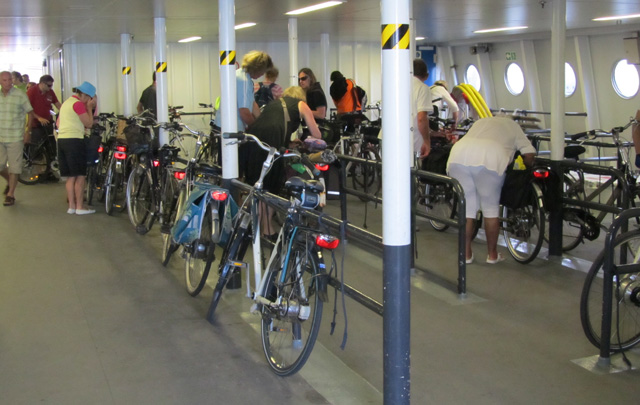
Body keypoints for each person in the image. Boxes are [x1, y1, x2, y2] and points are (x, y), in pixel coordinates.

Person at [446, 116, 536, 264]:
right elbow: (529, 154)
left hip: (458, 156)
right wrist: (525, 167)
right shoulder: (513, 126)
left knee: (468, 209)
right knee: (490, 209)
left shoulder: (481, 121)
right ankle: (492, 255)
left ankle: (466, 254)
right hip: (490, 159)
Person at [243, 86, 322, 237]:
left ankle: (256, 229)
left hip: (254, 142)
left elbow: (272, 126)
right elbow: (316, 133)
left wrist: (290, 143)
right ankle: (267, 230)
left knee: (259, 185)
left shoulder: (275, 103)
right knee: (272, 186)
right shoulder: (301, 104)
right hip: (272, 145)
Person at [57, 81, 98, 215]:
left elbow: (58, 123)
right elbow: (88, 124)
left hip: (62, 140)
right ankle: (80, 207)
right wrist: (90, 110)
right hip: (74, 141)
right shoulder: (78, 104)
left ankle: (72, 206)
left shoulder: (67, 103)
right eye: (90, 98)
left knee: (70, 176)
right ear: (86, 96)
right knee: (80, 175)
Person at [215, 50, 273, 131]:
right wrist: (257, 129)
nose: (262, 75)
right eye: (262, 72)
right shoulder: (243, 81)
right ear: (256, 69)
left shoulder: (245, 78)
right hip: (229, 128)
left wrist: (261, 122)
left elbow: (252, 104)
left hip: (229, 126)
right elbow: (244, 112)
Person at [0, 71, 34, 206]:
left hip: (15, 137)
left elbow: (30, 113)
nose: (8, 83)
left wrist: (28, 132)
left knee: (14, 167)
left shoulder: (20, 95)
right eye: (4, 80)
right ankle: (10, 181)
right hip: (0, 137)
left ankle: (11, 195)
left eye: (10, 80)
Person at [26, 75, 61, 148]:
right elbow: (28, 109)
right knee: (36, 146)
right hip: (35, 124)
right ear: (42, 83)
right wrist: (38, 118)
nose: (50, 87)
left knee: (50, 146)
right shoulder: (31, 91)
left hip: (47, 123)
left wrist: (65, 112)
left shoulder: (50, 92)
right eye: (49, 85)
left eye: (51, 85)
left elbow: (58, 104)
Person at [412, 59, 433, 159]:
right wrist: (427, 141)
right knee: (411, 173)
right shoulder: (422, 88)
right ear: (426, 75)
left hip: (387, 138)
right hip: (410, 140)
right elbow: (421, 118)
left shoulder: (397, 84)